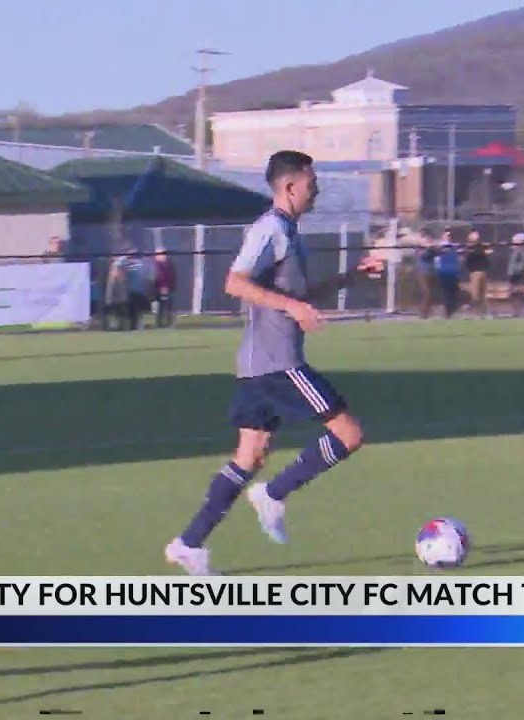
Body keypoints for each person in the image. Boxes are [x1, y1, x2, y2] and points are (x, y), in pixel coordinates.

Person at [165, 150, 379, 576]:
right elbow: (234, 282)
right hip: (279, 364)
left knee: (249, 456)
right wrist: (290, 307)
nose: (316, 191)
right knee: (349, 434)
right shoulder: (270, 230)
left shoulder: (289, 233)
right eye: (312, 184)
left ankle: (188, 543)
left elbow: (298, 298)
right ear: (290, 186)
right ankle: (274, 494)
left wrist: (350, 276)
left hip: (256, 366)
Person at [464, 230, 492, 318]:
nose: (476, 236)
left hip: (482, 271)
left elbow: (487, 252)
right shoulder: (469, 247)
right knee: (475, 295)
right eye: (473, 234)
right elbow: (470, 257)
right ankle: (475, 314)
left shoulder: (482, 246)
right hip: (474, 272)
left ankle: (485, 313)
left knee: (483, 294)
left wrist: (485, 250)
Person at [506, 232, 524, 316]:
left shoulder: (523, 250)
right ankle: (515, 311)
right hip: (513, 276)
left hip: (518, 276)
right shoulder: (514, 250)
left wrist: (516, 270)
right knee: (512, 294)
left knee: (518, 294)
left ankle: (519, 312)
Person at [153, 250, 177, 328]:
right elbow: (157, 278)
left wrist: (169, 287)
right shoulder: (156, 265)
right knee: (160, 307)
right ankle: (160, 323)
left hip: (168, 288)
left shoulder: (169, 264)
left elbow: (172, 276)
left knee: (169, 306)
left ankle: (169, 323)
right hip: (159, 289)